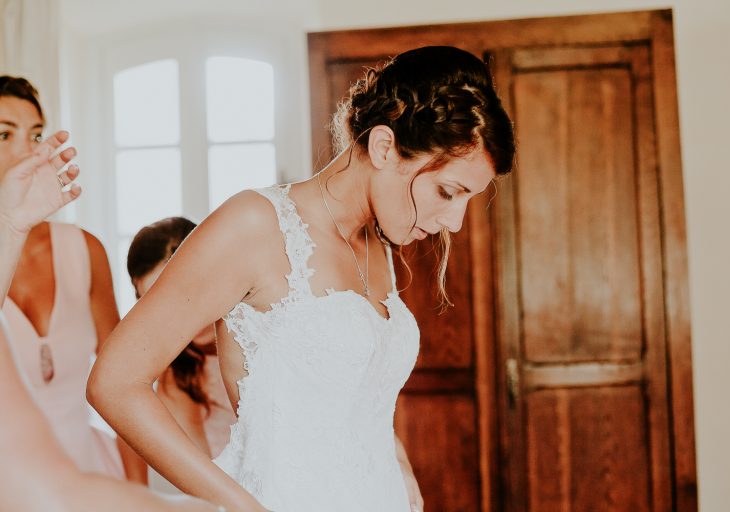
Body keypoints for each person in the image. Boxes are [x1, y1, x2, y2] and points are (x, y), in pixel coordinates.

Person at [88, 45, 515, 512]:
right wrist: (241, 506)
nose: (455, 221)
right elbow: (114, 383)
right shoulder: (255, 225)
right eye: (448, 192)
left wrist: (397, 461)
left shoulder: (378, 244)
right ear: (384, 147)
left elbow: (352, 395)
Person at [0, 131, 222, 511]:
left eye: (35, 132)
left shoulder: (263, 320)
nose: (186, 317)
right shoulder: (176, 379)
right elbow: (204, 480)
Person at [0, 75, 145, 481]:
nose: (27, 152)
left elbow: (124, 383)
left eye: (36, 135)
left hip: (91, 475)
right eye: (3, 134)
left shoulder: (84, 249)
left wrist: (138, 492)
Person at [127, 216, 237, 494]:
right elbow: (204, 487)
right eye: (154, 304)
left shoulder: (262, 323)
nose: (173, 317)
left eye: (178, 294)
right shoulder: (178, 376)